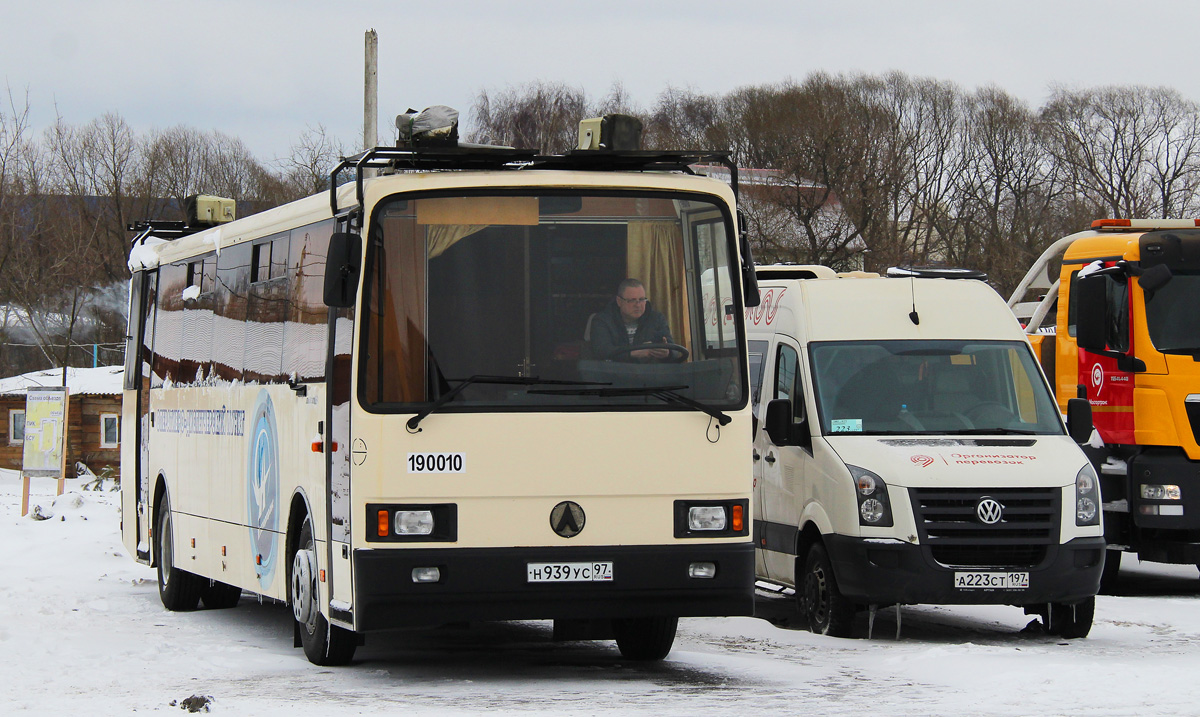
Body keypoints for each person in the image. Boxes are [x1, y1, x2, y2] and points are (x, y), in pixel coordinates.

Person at [589, 278, 674, 361]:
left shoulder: (657, 319)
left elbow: (675, 350)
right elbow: (601, 351)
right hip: (615, 372)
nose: (637, 305)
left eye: (641, 299)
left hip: (649, 373)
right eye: (632, 300)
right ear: (619, 301)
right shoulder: (602, 321)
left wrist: (667, 352)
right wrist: (633, 354)